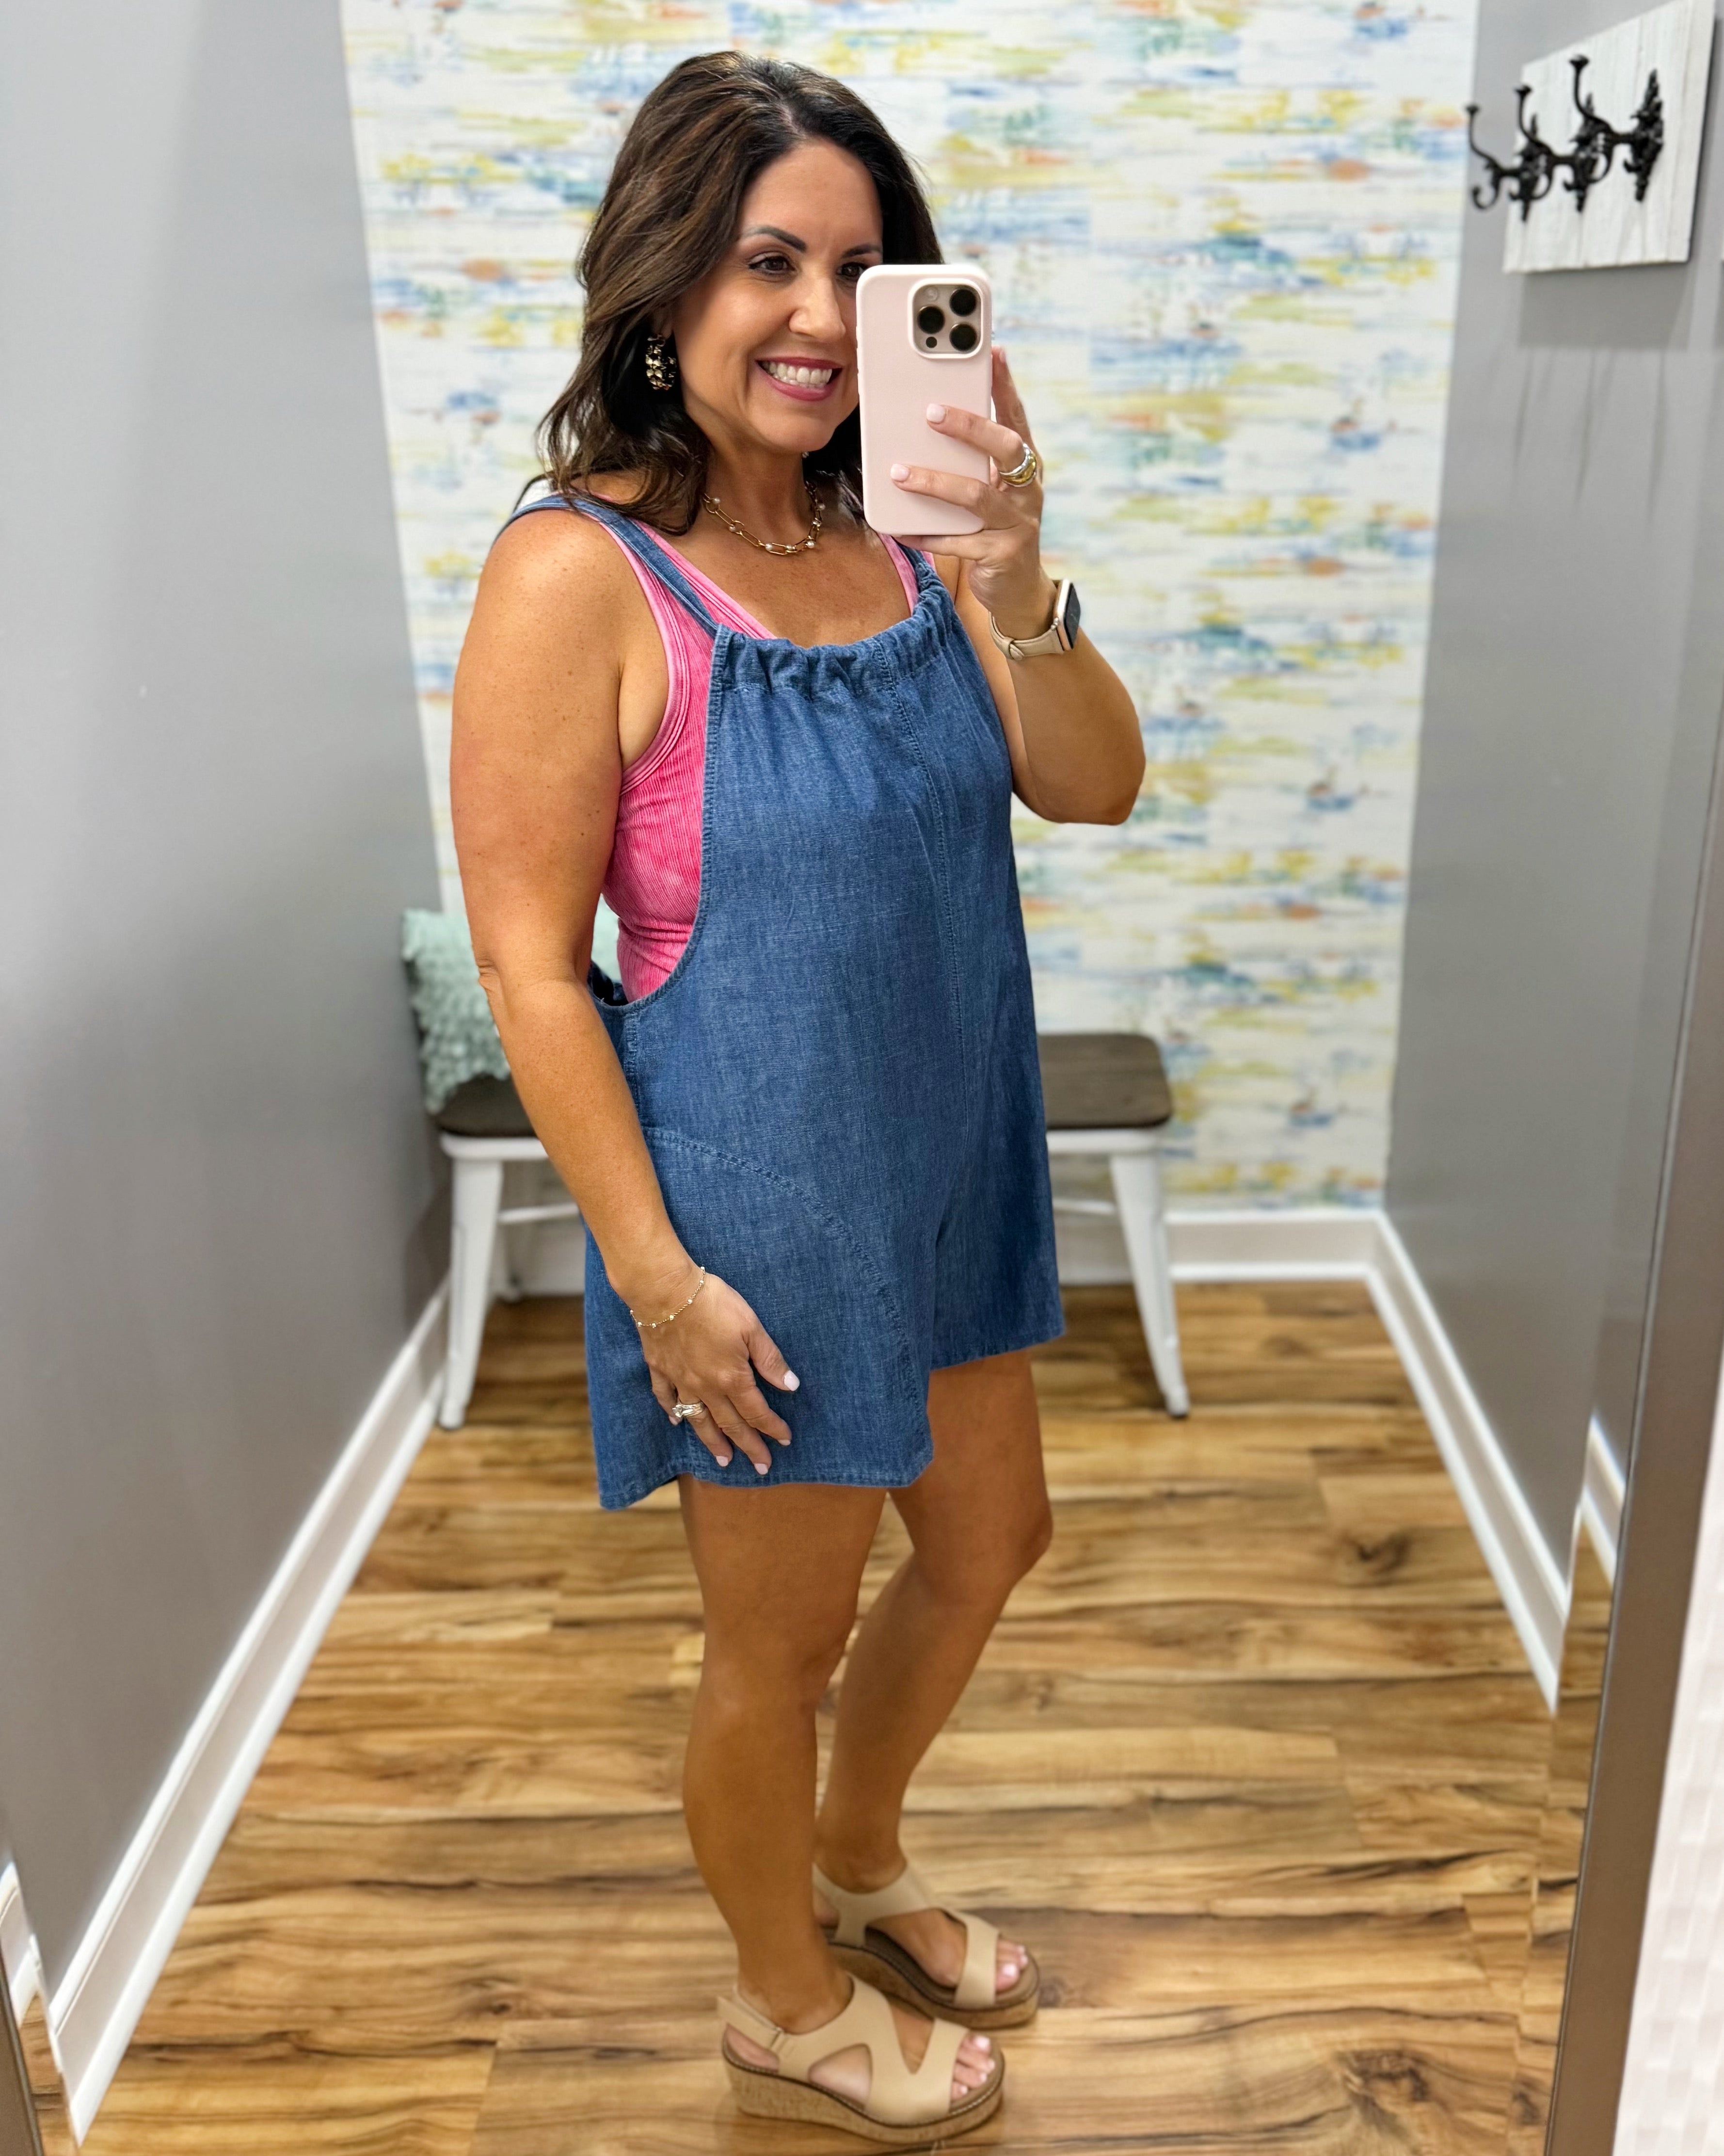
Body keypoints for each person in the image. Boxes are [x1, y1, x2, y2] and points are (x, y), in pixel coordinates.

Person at [451, 49, 1144, 2143]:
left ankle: (856, 1859)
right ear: (666, 277)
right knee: (780, 1641)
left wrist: (1018, 574)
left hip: (947, 1160)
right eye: (770, 262)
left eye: (863, 270)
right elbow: (527, 966)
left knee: (994, 1537)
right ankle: (781, 2001)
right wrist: (651, 1277)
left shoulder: (909, 536)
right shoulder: (578, 575)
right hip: (757, 1205)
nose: (822, 320)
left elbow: (1092, 783)